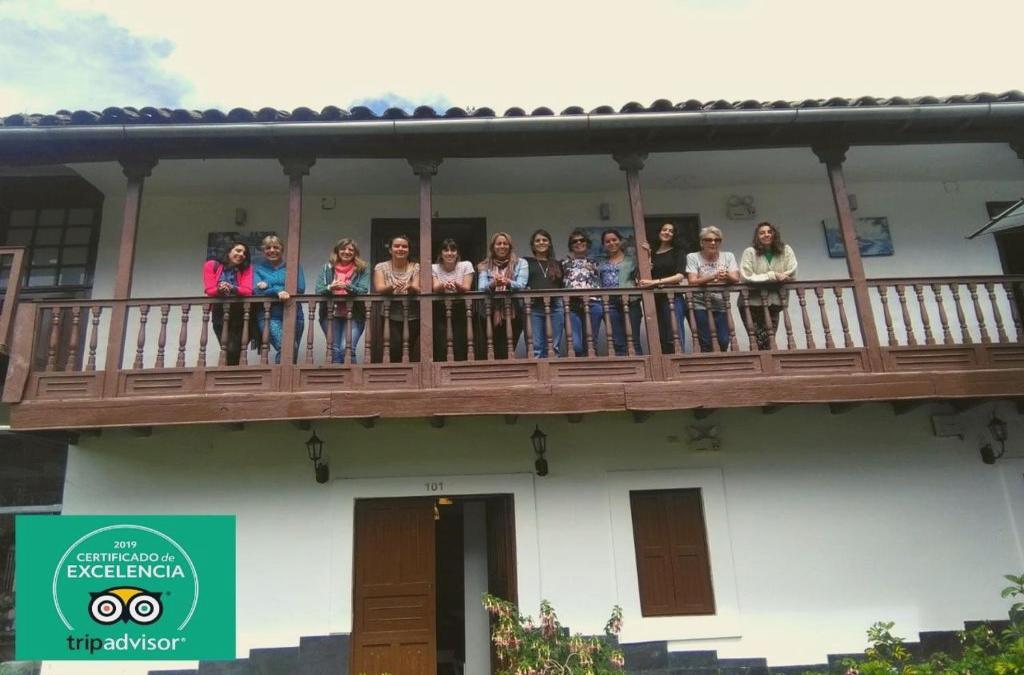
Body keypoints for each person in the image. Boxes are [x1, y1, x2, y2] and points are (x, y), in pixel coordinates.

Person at [740, 221, 798, 350]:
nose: (766, 235)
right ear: (757, 236)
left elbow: (792, 271)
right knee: (757, 341)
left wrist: (781, 275)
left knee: (769, 340)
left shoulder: (785, 250)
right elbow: (746, 276)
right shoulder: (750, 252)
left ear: (774, 234)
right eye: (762, 233)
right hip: (751, 303)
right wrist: (773, 276)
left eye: (769, 232)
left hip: (775, 301)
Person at [253, 235, 306, 364]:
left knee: (292, 353)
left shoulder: (294, 267)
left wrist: (268, 285)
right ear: (263, 251)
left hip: (294, 314)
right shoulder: (258, 269)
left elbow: (299, 288)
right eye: (268, 248)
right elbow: (257, 291)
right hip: (269, 315)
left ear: (282, 250)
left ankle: (286, 376)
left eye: (276, 247)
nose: (272, 250)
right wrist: (277, 291)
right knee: (287, 347)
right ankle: (281, 377)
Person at [316, 238, 370, 364]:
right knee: (334, 350)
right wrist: (330, 287)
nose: (347, 252)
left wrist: (347, 287)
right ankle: (337, 377)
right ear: (337, 251)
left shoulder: (362, 268)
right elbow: (319, 290)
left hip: (355, 313)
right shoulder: (327, 268)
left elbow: (363, 290)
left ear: (355, 253)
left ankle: (353, 377)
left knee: (347, 349)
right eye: (343, 249)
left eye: (351, 249)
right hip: (330, 314)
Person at [686, 225, 739, 352]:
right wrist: (713, 276)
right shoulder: (693, 257)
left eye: (717, 240)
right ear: (702, 242)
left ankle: (722, 363)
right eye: (709, 240)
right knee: (705, 341)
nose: (713, 242)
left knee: (724, 340)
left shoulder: (728, 256)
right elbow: (692, 281)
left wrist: (727, 275)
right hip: (699, 304)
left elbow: (736, 278)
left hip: (721, 303)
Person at [476, 232, 528, 360]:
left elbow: (521, 285)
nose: (502, 246)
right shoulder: (485, 265)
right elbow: (481, 287)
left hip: (514, 311)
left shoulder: (521, 263)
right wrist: (493, 284)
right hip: (490, 311)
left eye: (505, 243)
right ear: (493, 247)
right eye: (498, 243)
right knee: (492, 347)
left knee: (509, 347)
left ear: (510, 246)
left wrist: (507, 282)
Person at [638, 222, 688, 354]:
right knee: (660, 335)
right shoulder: (653, 253)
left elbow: (679, 276)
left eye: (671, 231)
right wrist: (648, 255)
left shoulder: (678, 252)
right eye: (664, 229)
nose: (667, 232)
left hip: (672, 297)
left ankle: (679, 362)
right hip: (655, 299)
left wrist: (655, 282)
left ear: (674, 235)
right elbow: (646, 273)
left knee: (674, 334)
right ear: (659, 232)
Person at [202, 240, 253, 366]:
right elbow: (209, 290)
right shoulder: (211, 265)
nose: (241, 255)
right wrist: (220, 289)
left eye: (244, 253)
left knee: (237, 349)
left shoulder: (246, 268)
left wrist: (232, 288)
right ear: (229, 251)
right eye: (238, 250)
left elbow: (247, 291)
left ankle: (233, 373)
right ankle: (232, 373)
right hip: (219, 312)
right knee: (228, 348)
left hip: (240, 312)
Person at [373, 234, 420, 362]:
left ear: (408, 250)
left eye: (404, 246)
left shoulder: (416, 267)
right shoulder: (381, 267)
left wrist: (410, 286)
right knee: (393, 348)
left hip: (412, 314)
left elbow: (417, 288)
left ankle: (408, 374)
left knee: (408, 348)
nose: (400, 249)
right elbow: (379, 288)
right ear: (390, 249)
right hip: (389, 314)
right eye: (396, 246)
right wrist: (392, 286)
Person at [597, 228, 643, 356]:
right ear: (603, 245)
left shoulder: (632, 260)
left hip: (630, 303)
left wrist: (647, 253)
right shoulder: (601, 263)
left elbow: (643, 274)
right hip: (610, 305)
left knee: (633, 340)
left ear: (620, 241)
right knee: (617, 342)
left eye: (614, 240)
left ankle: (638, 367)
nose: (611, 243)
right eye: (607, 241)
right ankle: (624, 367)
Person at [523, 229, 565, 358]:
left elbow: (562, 285)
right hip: (534, 307)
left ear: (549, 243)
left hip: (555, 306)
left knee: (553, 347)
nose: (541, 242)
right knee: (536, 347)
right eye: (538, 240)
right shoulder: (526, 262)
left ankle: (553, 370)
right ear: (533, 245)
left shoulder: (557, 264)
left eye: (544, 240)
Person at [431, 238, 474, 361]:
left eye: (453, 250)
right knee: (441, 343)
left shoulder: (466, 265)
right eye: (446, 250)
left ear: (457, 253)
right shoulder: (433, 267)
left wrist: (456, 285)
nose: (449, 253)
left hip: (461, 308)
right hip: (440, 308)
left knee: (460, 342)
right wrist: (444, 285)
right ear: (440, 254)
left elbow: (466, 287)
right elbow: (435, 287)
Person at [561, 229, 602, 357]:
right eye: (575, 241)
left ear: (587, 243)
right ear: (571, 245)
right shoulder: (564, 263)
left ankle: (592, 367)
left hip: (593, 303)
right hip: (571, 304)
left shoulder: (596, 263)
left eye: (582, 240)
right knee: (575, 344)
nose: (578, 243)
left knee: (591, 343)